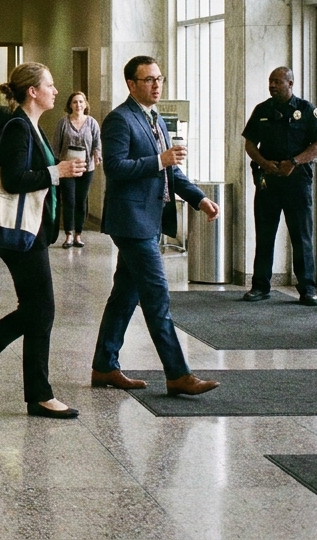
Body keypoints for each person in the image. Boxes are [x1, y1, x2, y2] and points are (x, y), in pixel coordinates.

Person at [0, 63, 85, 419]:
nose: (56, 91)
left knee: (36, 310)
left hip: (31, 230)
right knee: (42, 309)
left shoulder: (31, 127)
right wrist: (58, 172)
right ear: (32, 92)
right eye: (50, 85)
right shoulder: (18, 128)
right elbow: (13, 179)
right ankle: (36, 393)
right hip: (20, 234)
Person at [90, 56, 222, 397]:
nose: (157, 85)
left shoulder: (155, 119)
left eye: (159, 79)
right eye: (149, 80)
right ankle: (178, 374)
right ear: (132, 84)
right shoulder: (120, 119)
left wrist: (198, 198)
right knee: (157, 296)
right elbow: (116, 168)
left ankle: (104, 366)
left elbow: (171, 172)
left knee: (124, 295)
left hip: (150, 218)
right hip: (130, 221)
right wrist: (158, 160)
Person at [241, 67, 317, 305]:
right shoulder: (262, 110)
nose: (272, 86)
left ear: (290, 83)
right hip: (268, 181)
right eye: (270, 81)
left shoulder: (306, 110)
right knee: (265, 234)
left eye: (278, 82)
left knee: (301, 236)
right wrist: (263, 163)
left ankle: (307, 288)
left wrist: (294, 162)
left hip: (296, 182)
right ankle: (260, 286)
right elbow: (249, 143)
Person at [53, 91, 102, 249]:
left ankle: (78, 235)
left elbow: (97, 143)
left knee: (81, 201)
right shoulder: (63, 123)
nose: (78, 105)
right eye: (75, 102)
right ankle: (68, 235)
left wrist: (97, 156)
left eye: (81, 102)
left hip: (86, 168)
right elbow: (56, 146)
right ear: (70, 105)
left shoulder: (92, 123)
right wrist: (57, 165)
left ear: (85, 104)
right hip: (67, 168)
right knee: (69, 200)